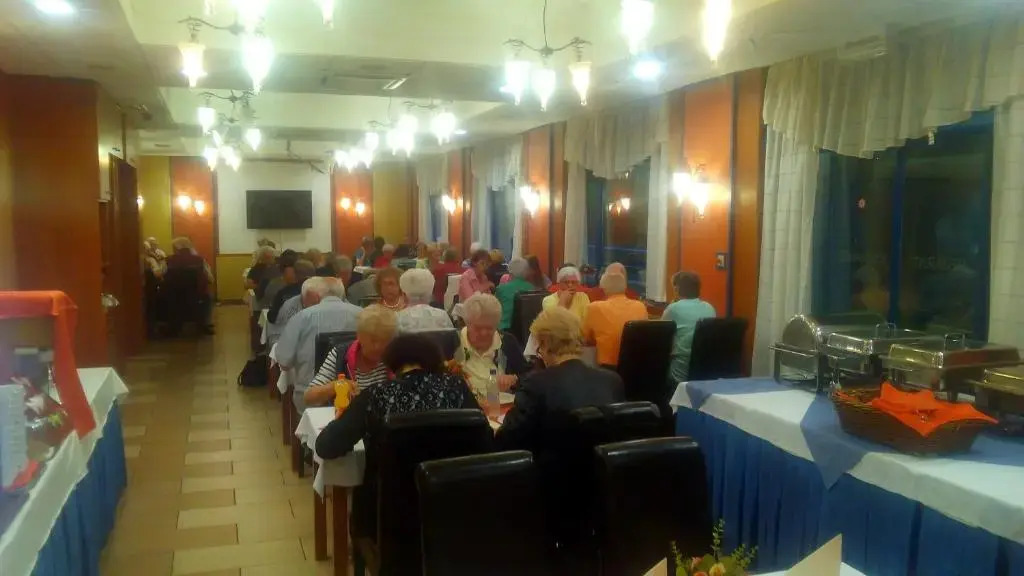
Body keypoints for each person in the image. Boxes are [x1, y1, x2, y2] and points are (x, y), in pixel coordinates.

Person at [315, 334, 480, 545]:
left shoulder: (376, 395)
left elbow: (326, 446)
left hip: (388, 515)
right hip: (452, 508)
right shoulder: (457, 387)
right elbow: (479, 432)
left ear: (392, 362)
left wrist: (345, 419)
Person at [495, 307, 625, 451]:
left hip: (549, 464)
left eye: (539, 348)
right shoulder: (612, 381)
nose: (540, 355)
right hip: (600, 464)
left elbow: (507, 439)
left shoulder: (536, 384)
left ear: (545, 342)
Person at [276, 277, 362, 413]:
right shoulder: (363, 314)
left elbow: (284, 362)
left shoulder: (301, 317)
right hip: (356, 393)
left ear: (317, 296)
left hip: (311, 398)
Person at [304, 304, 398, 406]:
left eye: (384, 340)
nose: (378, 347)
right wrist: (335, 386)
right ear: (359, 336)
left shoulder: (397, 356)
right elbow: (308, 398)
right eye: (373, 340)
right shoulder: (340, 355)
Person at [456, 294, 529, 398]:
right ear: (467, 323)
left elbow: (528, 376)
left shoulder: (507, 341)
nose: (484, 333)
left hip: (501, 405)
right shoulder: (453, 342)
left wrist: (514, 379)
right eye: (478, 328)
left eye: (489, 328)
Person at [583, 271, 648, 368]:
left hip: (608, 368)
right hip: (638, 366)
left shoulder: (595, 308)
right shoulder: (640, 307)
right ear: (625, 288)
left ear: (603, 289)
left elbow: (586, 339)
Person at [662, 271, 716, 383]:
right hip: (705, 372)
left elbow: (660, 337)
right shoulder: (710, 308)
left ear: (676, 289)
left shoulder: (673, 309)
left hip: (679, 373)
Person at [165, 237, 215, 334]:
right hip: (197, 295)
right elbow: (210, 279)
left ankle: (172, 325)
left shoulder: (169, 260)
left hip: (175, 295)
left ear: (177, 248)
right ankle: (204, 324)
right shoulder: (199, 260)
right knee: (208, 296)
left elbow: (161, 274)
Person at [397, 269, 455, 333]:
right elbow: (452, 337)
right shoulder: (443, 316)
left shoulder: (398, 318)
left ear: (403, 294)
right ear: (431, 292)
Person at [267, 259, 316, 323]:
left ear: (295, 274)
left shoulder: (284, 292)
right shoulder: (323, 291)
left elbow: (272, 317)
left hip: (289, 327)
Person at [496, 257, 536, 331]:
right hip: (526, 329)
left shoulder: (501, 289)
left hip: (504, 328)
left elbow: (495, 309)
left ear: (510, 272)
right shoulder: (532, 288)